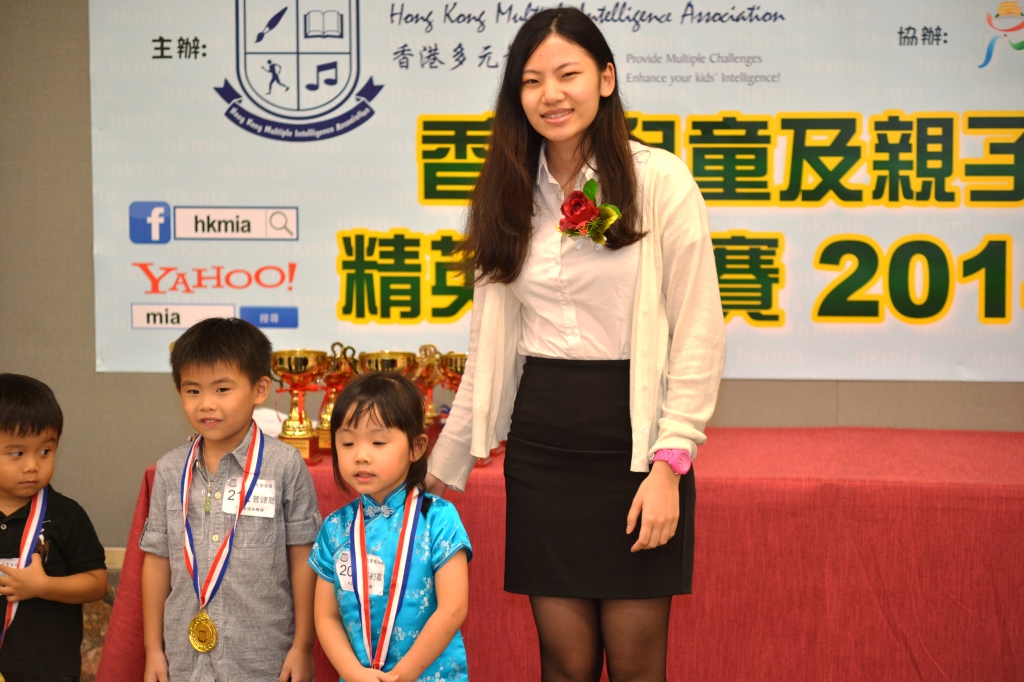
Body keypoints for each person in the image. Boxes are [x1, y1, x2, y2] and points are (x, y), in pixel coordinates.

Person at [424, 7, 726, 681]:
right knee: (563, 664)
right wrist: (443, 465)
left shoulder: (660, 180)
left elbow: (699, 330)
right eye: (532, 81)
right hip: (542, 447)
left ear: (606, 80)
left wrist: (670, 465)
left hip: (634, 443)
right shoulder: (506, 191)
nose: (551, 95)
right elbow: (490, 345)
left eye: (568, 75)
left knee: (637, 666)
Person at [140, 318, 321, 682]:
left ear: (260, 389)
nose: (206, 404)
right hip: (183, 659)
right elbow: (157, 562)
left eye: (222, 389)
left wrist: (302, 646)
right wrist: (153, 650)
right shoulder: (170, 470)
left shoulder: (284, 466)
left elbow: (304, 559)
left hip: (263, 658)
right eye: (193, 391)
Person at [310, 372, 471, 682]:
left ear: (416, 448)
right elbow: (326, 616)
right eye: (347, 443)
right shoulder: (336, 528)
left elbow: (453, 608)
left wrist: (401, 676)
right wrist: (352, 673)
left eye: (378, 442)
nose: (361, 456)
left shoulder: (438, 519)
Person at [0, 374, 108, 682]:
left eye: (45, 451)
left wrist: (43, 587)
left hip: (47, 671)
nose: (33, 465)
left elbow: (97, 584)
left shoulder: (66, 515)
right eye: (17, 453)